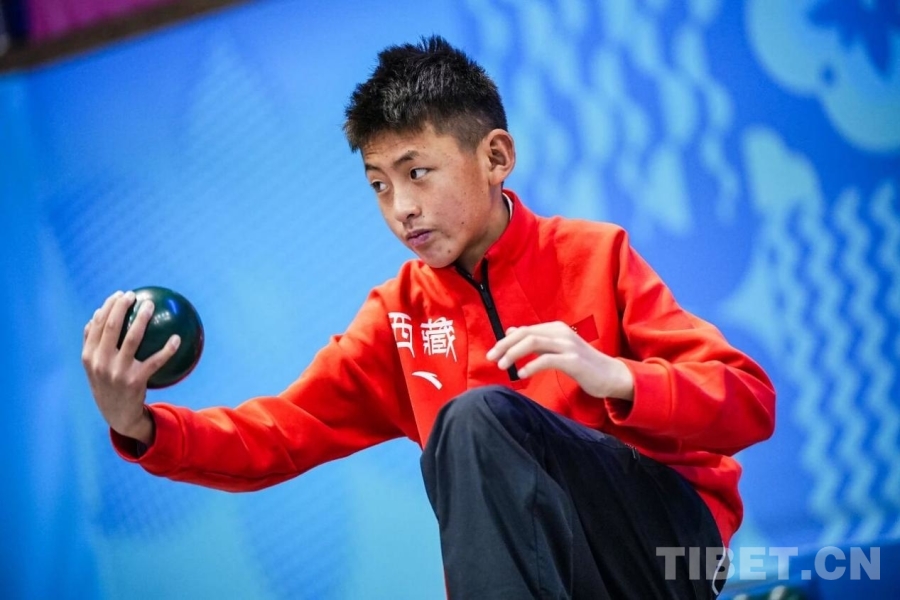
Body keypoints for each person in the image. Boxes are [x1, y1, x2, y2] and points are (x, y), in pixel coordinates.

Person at [81, 35, 775, 599]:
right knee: (472, 425)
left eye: (417, 173)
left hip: (666, 551)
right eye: (379, 185)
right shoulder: (397, 318)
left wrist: (617, 378)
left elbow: (748, 401)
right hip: (553, 576)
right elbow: (280, 434)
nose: (401, 208)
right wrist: (139, 426)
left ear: (496, 157)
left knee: (472, 418)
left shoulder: (595, 254)